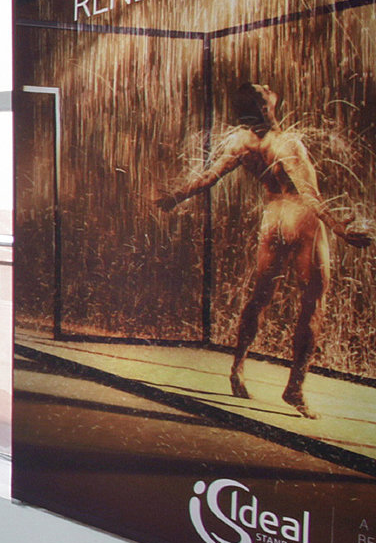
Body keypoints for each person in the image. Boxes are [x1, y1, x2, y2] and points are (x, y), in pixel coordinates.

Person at [155, 82, 371, 416]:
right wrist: (342, 230)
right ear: (265, 105)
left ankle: (237, 368)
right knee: (314, 301)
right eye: (263, 90)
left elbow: (210, 177)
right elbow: (311, 195)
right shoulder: (287, 144)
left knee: (259, 297)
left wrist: (176, 196)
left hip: (272, 219)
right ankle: (295, 389)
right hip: (301, 218)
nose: (270, 88)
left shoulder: (242, 142)